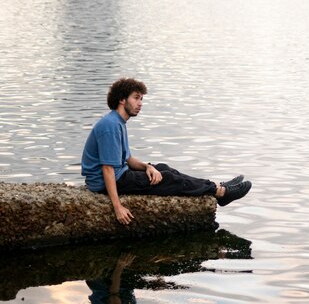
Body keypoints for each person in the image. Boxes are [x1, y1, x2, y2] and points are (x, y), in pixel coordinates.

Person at [81, 78, 251, 225]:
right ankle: (220, 193)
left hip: (119, 174)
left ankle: (217, 186)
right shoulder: (110, 126)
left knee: (163, 168)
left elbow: (128, 159)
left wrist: (148, 167)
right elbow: (108, 169)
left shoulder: (117, 122)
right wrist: (117, 207)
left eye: (141, 99)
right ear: (122, 100)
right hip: (105, 182)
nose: (140, 103)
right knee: (168, 179)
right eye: (136, 98)